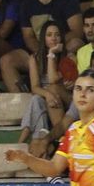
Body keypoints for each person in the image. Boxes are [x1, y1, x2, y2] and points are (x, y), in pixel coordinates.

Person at [21, 19, 78, 157]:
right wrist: (48, 95)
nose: (53, 38)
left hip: (67, 101)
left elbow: (54, 80)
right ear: (43, 38)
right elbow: (34, 87)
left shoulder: (70, 57)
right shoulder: (34, 58)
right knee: (36, 100)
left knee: (53, 88)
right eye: (49, 35)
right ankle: (33, 139)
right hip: (48, 101)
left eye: (57, 35)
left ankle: (28, 141)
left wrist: (52, 53)